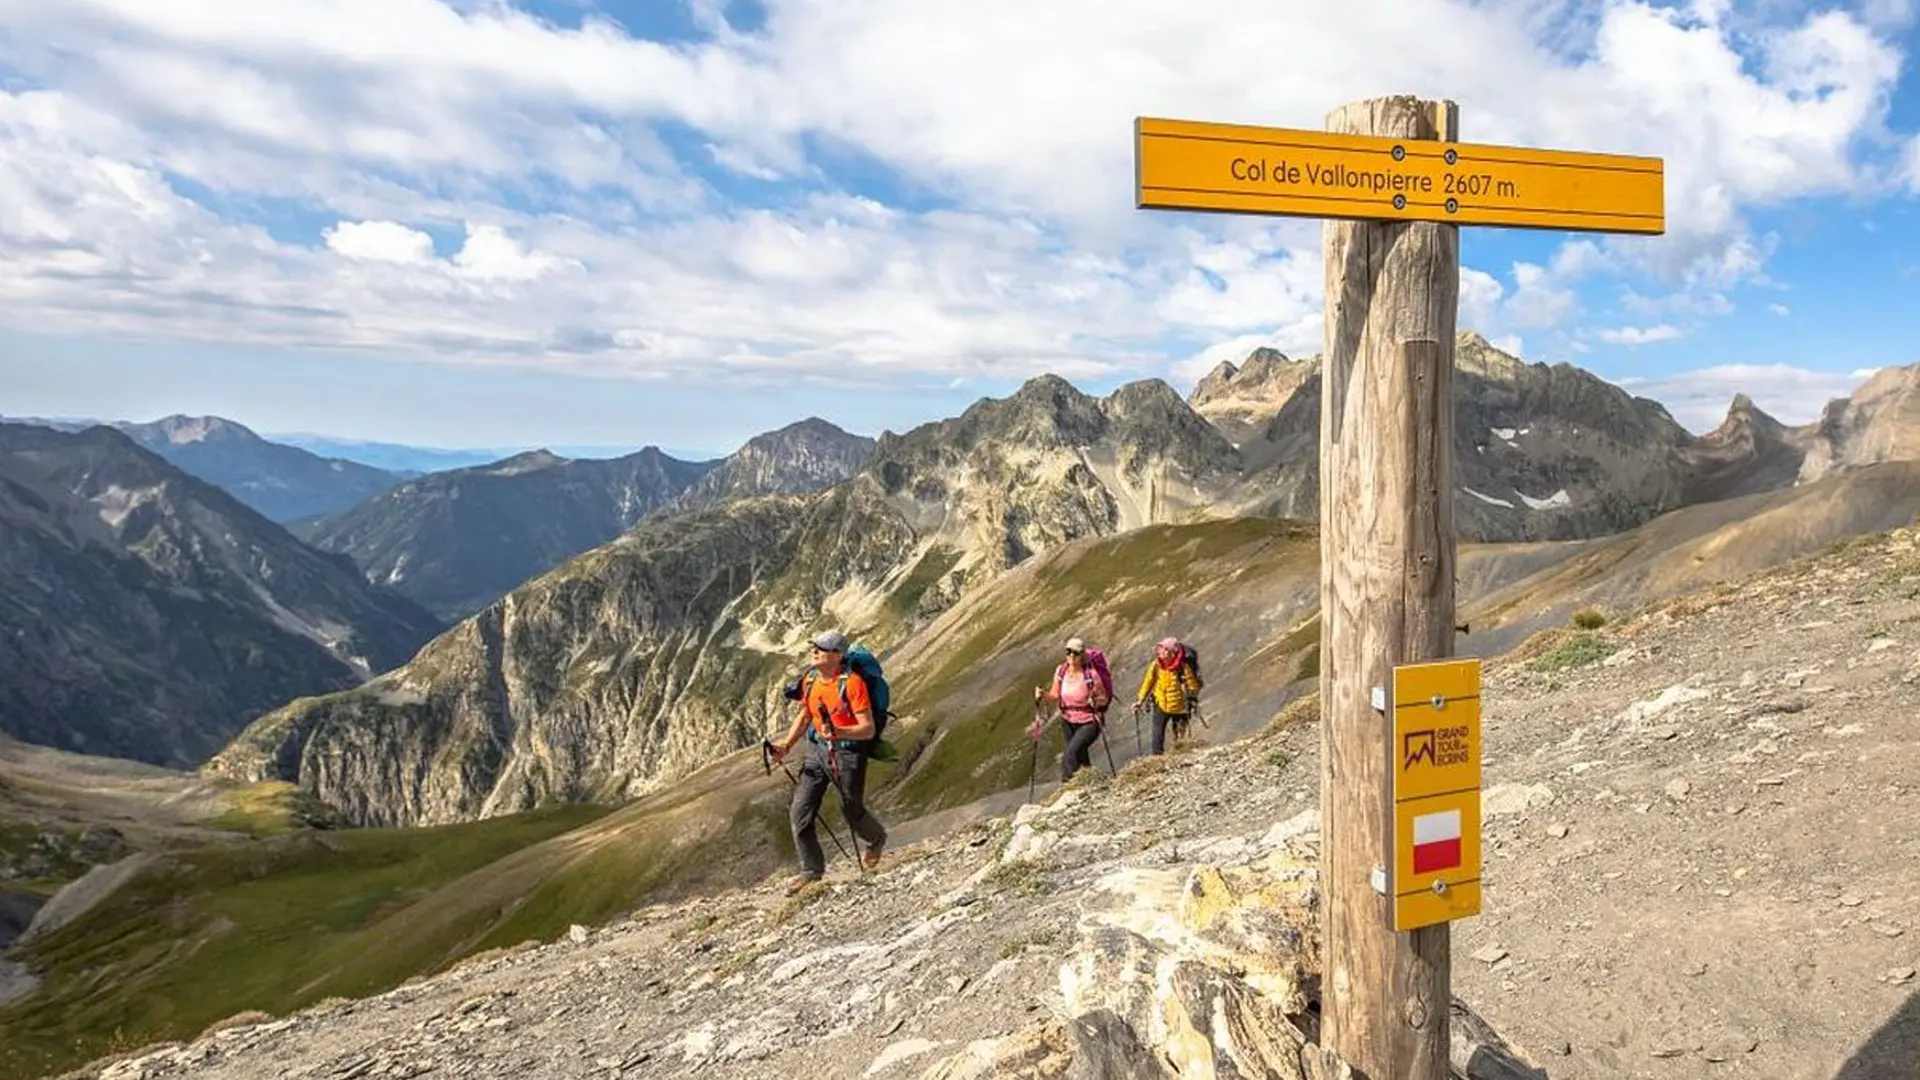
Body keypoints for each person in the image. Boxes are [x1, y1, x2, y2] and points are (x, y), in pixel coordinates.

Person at [768, 630, 887, 894]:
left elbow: (867, 729)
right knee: (800, 810)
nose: (815, 651)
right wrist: (786, 745)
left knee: (851, 808)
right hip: (816, 750)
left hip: (847, 752)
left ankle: (876, 838)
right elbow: (806, 715)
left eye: (822, 648)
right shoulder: (811, 680)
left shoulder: (852, 684)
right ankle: (811, 871)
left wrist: (839, 732)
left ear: (837, 655)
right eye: (815, 647)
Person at [1034, 636, 1110, 782]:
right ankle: (1091, 781)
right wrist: (1043, 695)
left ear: (1082, 655)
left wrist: (1094, 700)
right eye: (1068, 652)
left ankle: (1067, 785)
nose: (1071, 656)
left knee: (1070, 754)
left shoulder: (1091, 675)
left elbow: (1104, 699)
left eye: (1075, 653)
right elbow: (1055, 695)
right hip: (1067, 720)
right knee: (1079, 753)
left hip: (1089, 721)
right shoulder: (1061, 671)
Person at [1135, 637, 1202, 755]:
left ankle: (1179, 757)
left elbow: (1193, 686)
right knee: (1157, 735)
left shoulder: (1183, 667)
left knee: (1179, 737)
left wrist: (1190, 696)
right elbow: (1148, 682)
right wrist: (1140, 700)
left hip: (1180, 707)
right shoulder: (1156, 665)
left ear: (1169, 652)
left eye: (1161, 649)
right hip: (1161, 703)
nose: (1158, 652)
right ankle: (1157, 758)